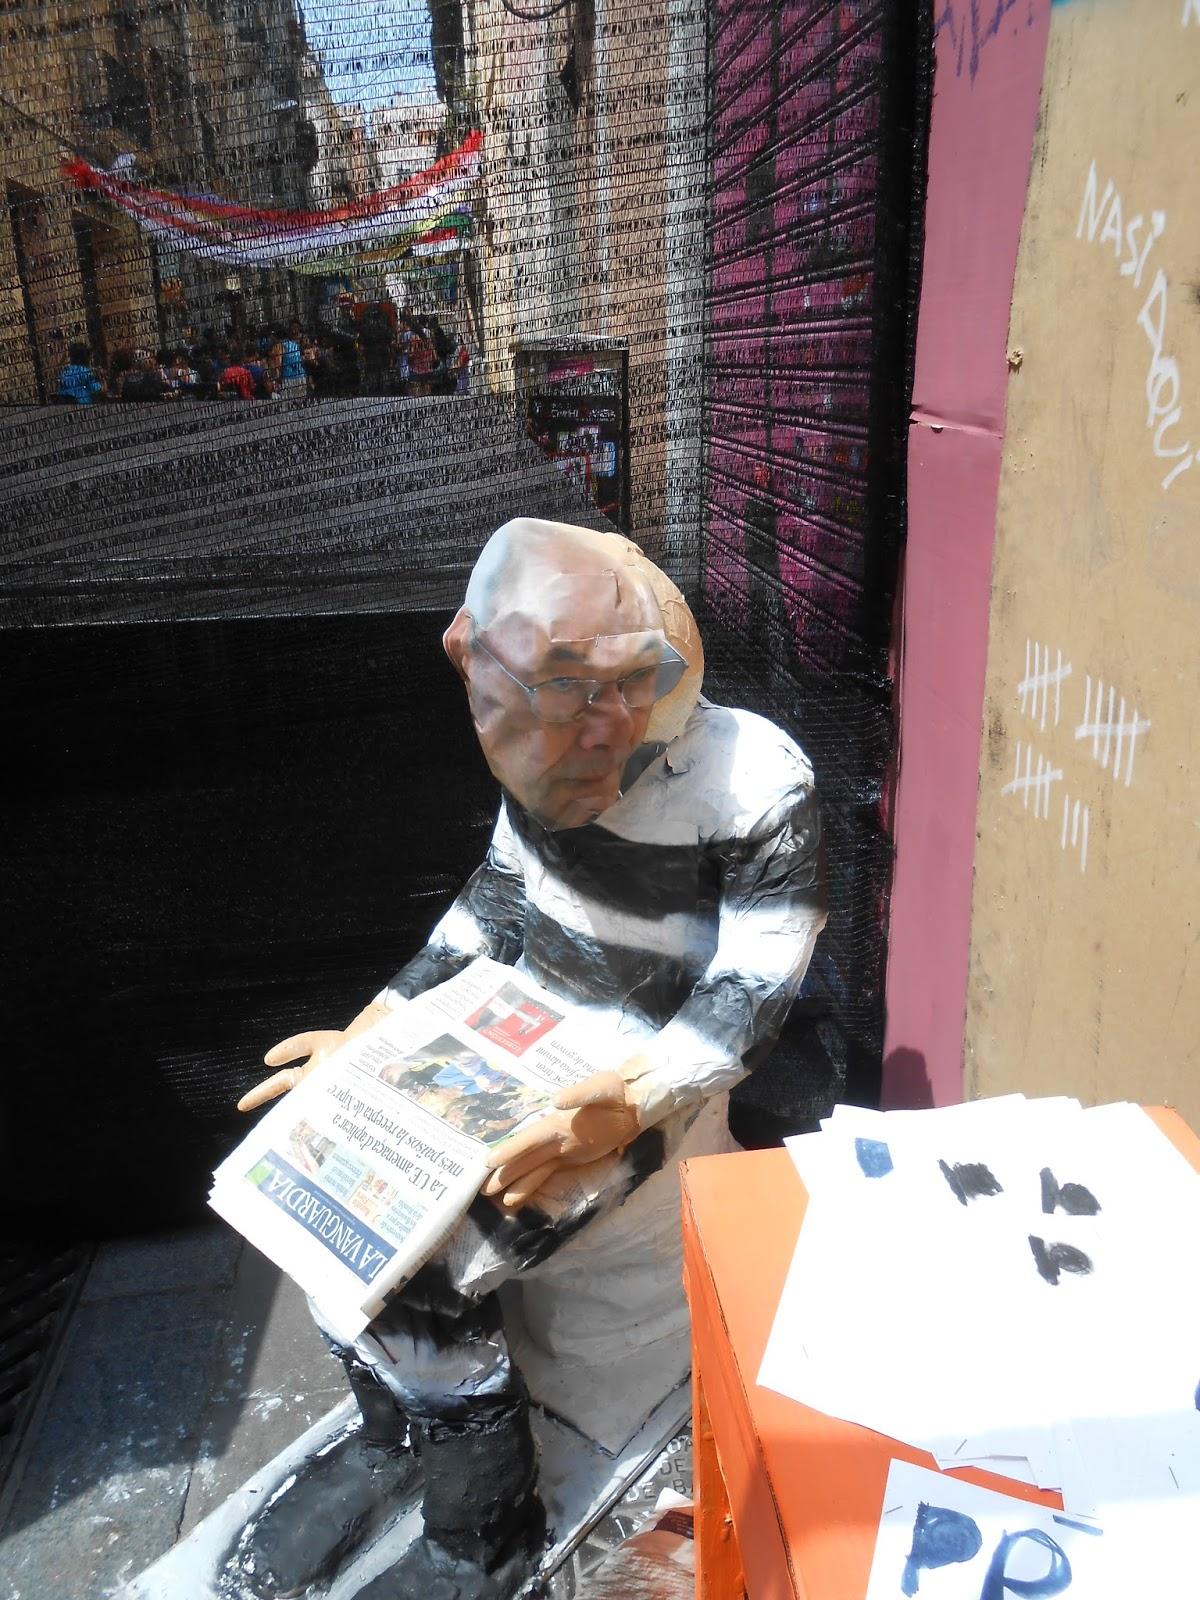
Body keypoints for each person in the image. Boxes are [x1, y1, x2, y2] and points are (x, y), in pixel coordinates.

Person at [226, 519, 826, 1600]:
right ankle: (394, 1439)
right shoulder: (542, 750)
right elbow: (495, 904)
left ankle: (479, 1530)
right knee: (323, 1205)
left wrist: (636, 1102)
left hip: (640, 1079)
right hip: (518, 1037)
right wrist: (373, 1029)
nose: (597, 748)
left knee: (439, 1271)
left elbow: (757, 983)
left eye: (616, 708)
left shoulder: (756, 778)